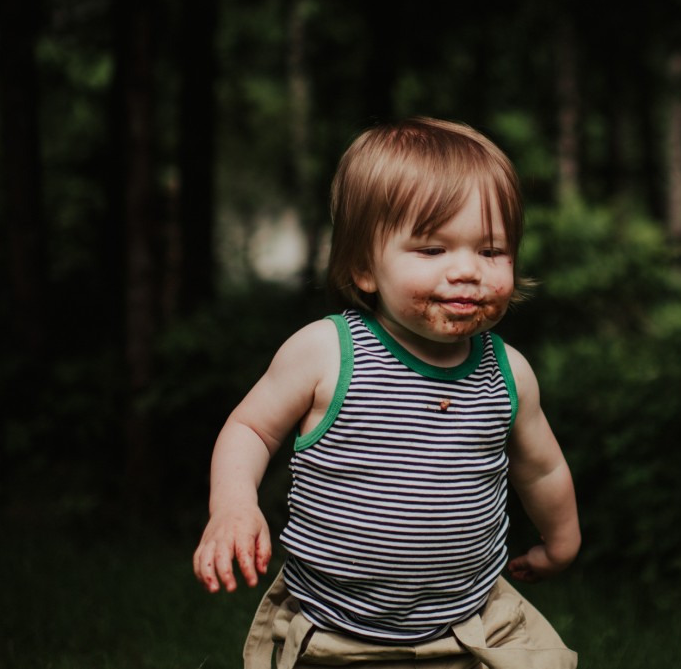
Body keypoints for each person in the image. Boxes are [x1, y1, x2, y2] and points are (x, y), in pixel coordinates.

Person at [193, 117, 580, 669]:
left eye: (492, 251)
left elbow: (541, 469)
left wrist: (561, 542)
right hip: (334, 629)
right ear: (363, 267)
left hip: (467, 623)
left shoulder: (506, 372)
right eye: (432, 249)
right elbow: (250, 429)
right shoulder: (327, 352)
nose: (467, 270)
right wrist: (232, 506)